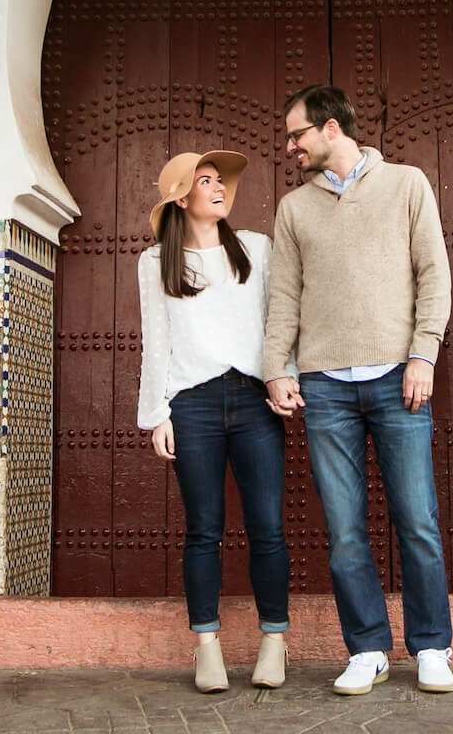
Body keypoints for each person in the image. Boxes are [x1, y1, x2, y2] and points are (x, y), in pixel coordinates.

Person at [261, 84, 453, 696]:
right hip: (325, 389)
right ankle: (367, 647)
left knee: (416, 520)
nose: (290, 145)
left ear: (331, 130)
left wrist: (423, 355)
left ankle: (431, 647)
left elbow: (434, 275)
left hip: (399, 381)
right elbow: (284, 297)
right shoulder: (294, 209)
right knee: (344, 529)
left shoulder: (406, 185)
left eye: (297, 133)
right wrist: (276, 368)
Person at [137, 149, 289, 693]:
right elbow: (156, 341)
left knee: (266, 527)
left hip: (252, 401)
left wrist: (283, 375)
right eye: (207, 180)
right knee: (204, 530)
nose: (221, 187)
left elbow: (278, 320)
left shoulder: (255, 249)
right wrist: (157, 413)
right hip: (192, 405)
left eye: (220, 180)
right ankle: (207, 647)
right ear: (183, 197)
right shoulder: (156, 263)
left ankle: (274, 641)